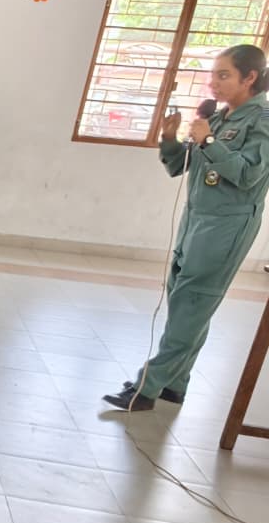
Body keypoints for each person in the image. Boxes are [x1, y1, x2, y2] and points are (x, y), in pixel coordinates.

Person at [106, 44, 269, 412]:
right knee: (185, 303)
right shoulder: (222, 118)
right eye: (213, 75)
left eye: (223, 75)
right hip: (196, 218)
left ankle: (146, 387)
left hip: (227, 226)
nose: (214, 83)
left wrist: (208, 140)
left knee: (194, 302)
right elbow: (182, 167)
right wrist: (170, 138)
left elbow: (248, 174)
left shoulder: (262, 121)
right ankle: (175, 384)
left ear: (250, 77)